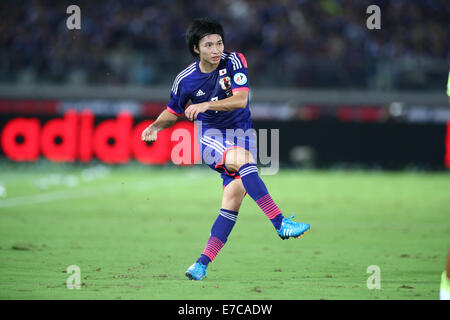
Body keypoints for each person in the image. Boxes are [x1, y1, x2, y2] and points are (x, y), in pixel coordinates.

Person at [141, 18, 310, 281]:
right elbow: (173, 112)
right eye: (208, 44)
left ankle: (201, 264)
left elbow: (241, 100)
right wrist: (154, 127)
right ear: (196, 48)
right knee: (244, 161)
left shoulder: (235, 61)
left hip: (243, 135)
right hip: (212, 137)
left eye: (219, 42)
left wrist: (206, 105)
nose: (216, 49)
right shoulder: (185, 80)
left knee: (232, 202)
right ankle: (280, 223)